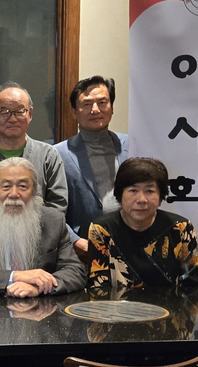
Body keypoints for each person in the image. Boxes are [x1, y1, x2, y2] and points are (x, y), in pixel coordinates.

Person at [0, 157, 85, 297]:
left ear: (34, 191)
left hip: (41, 309)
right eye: (6, 186)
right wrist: (16, 277)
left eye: (23, 186)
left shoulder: (54, 221)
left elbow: (75, 271)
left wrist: (40, 287)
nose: (14, 194)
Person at [87, 157, 198, 289]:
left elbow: (194, 287)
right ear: (120, 195)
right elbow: (99, 288)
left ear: (161, 196)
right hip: (117, 308)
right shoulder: (102, 230)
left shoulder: (181, 228)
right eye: (133, 191)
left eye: (149, 191)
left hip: (173, 308)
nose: (141, 199)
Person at [0, 81, 67, 214]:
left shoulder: (48, 156)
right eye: (4, 112)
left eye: (19, 111)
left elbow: (58, 209)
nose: (12, 119)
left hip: (41, 233)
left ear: (30, 114)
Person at [54, 76, 128, 261]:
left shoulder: (133, 145)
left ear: (112, 107)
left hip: (131, 247)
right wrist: (75, 241)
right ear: (74, 111)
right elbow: (51, 209)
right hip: (84, 253)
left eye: (102, 102)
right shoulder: (57, 154)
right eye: (86, 104)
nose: (95, 110)